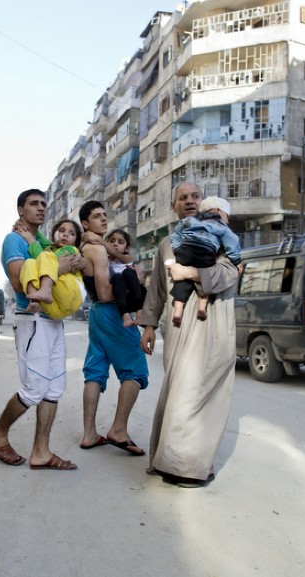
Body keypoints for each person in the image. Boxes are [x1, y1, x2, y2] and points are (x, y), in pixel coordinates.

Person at [140, 181, 240, 488]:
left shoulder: (219, 234)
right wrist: (148, 325)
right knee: (178, 392)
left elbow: (230, 273)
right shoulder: (167, 244)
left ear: (204, 202)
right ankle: (168, 460)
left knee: (202, 394)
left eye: (195, 196)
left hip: (214, 322)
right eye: (182, 197)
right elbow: (157, 288)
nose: (190, 201)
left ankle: (188, 467)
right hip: (179, 327)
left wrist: (191, 274)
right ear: (174, 206)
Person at [0, 189, 84, 471]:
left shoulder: (48, 245)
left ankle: (41, 451)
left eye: (43, 204)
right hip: (32, 319)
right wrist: (63, 266)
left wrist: (76, 262)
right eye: (33, 204)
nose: (41, 208)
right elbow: (18, 282)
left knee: (54, 389)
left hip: (54, 320)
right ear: (20, 210)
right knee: (34, 388)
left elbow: (73, 264)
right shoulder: (14, 240)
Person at [78, 200, 149, 456]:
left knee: (95, 370)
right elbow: (107, 293)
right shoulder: (96, 251)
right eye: (97, 217)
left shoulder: (91, 248)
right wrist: (133, 290)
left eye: (105, 215)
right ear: (86, 224)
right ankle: (118, 430)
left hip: (96, 314)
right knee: (136, 369)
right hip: (111, 314)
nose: (104, 219)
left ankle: (89, 434)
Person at [168, 196, 241, 326]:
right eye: (227, 216)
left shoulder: (190, 220)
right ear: (218, 211)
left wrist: (178, 248)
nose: (228, 221)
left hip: (185, 251)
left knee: (182, 281)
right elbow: (232, 243)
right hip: (205, 252)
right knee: (207, 274)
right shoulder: (221, 226)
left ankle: (177, 311)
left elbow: (177, 232)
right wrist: (236, 261)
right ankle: (202, 306)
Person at [17, 219, 85, 320]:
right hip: (55, 306)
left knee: (45, 256)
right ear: (54, 234)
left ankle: (45, 289)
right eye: (61, 231)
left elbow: (42, 257)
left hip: (72, 291)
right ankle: (35, 301)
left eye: (71, 233)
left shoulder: (71, 250)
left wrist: (29, 238)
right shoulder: (51, 248)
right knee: (29, 263)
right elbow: (43, 239)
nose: (65, 235)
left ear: (76, 240)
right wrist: (26, 226)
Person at [106, 228, 145, 328]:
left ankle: (140, 311)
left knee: (129, 272)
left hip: (132, 298)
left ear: (126, 248)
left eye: (120, 242)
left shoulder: (128, 260)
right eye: (112, 241)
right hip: (118, 298)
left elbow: (139, 281)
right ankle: (125, 315)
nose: (115, 244)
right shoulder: (105, 260)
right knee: (117, 277)